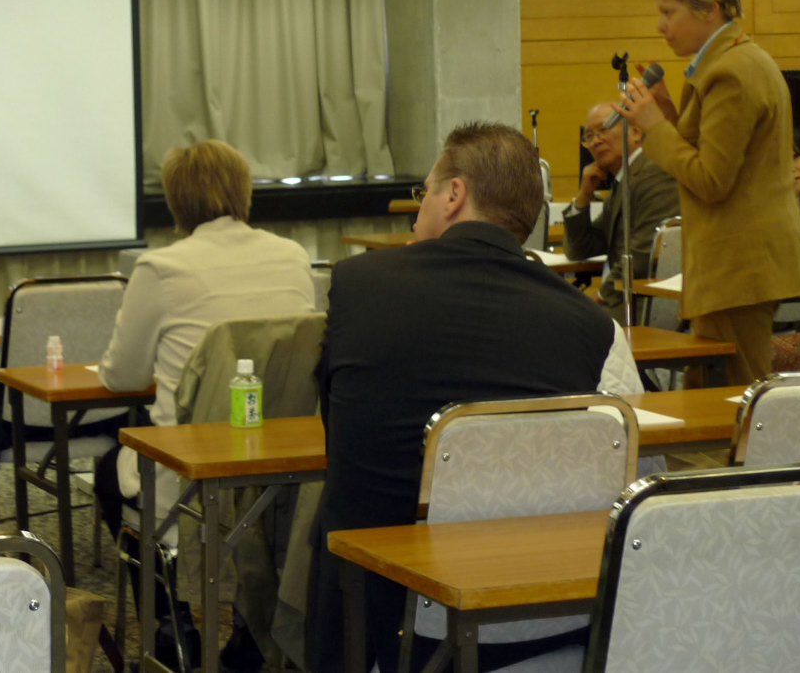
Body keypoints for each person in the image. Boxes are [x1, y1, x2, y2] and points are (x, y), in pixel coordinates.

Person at [318, 122, 642, 673]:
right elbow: (628, 476)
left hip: (392, 620)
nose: (418, 210)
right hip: (548, 617)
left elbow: (341, 437)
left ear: (454, 194)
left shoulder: (359, 285)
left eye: (423, 193)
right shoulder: (592, 326)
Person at [94, 139, 315, 670]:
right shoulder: (293, 256)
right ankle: (249, 633)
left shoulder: (160, 268)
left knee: (109, 472)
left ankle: (171, 628)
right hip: (281, 473)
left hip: (191, 478)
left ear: (176, 202)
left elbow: (123, 377)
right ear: (245, 192)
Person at [617, 0, 800, 385]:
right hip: (738, 267)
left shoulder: (730, 72)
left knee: (731, 395)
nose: (660, 26)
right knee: (709, 388)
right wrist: (668, 117)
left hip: (739, 267)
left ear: (709, 9)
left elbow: (711, 180)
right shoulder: (732, 61)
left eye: (669, 12)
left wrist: (655, 129)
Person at [563, 102, 680, 317]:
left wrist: (600, 296)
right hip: (624, 297)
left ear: (636, 133)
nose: (596, 141)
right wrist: (583, 196)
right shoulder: (623, 180)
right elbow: (579, 249)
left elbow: (642, 255)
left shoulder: (653, 174)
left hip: (644, 304)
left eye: (604, 130)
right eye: (589, 136)